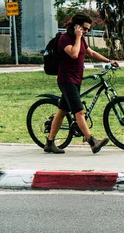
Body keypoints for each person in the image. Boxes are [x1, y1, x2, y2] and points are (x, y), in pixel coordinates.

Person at [44, 12, 118, 154]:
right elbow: (74, 54)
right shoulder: (65, 39)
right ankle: (92, 142)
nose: (86, 31)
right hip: (66, 80)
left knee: (61, 112)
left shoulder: (81, 39)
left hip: (76, 80)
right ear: (76, 26)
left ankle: (49, 143)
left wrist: (109, 61)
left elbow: (91, 53)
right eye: (85, 28)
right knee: (79, 112)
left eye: (88, 29)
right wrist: (78, 37)